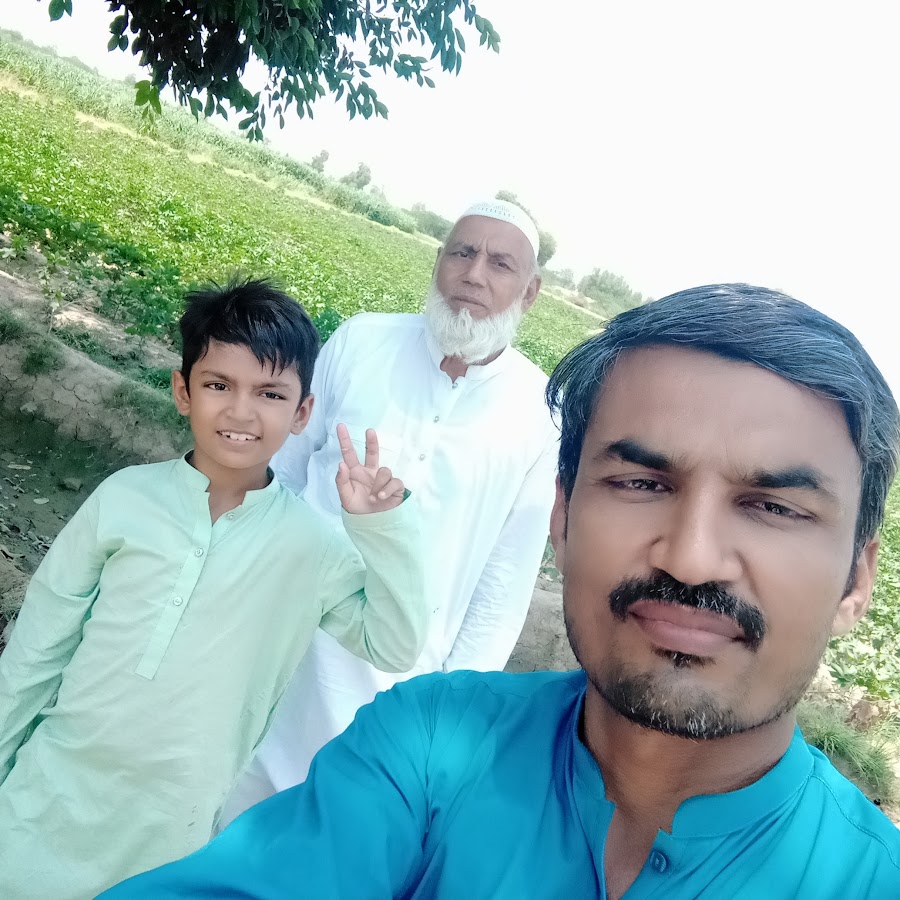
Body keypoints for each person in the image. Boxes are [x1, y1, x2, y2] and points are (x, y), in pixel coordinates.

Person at [103, 284, 900, 899]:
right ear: (563, 515)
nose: (691, 560)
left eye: (773, 507)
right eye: (641, 482)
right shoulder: (428, 749)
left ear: (856, 579)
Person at [0, 278, 427, 900]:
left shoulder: (313, 546)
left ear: (302, 412)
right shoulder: (124, 498)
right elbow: (35, 654)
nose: (241, 412)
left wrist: (382, 529)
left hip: (169, 836)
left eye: (270, 393)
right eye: (218, 385)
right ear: (183, 391)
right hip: (43, 801)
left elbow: (396, 644)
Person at [220, 199, 559, 821]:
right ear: (439, 261)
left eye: (500, 263)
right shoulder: (363, 340)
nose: (474, 274)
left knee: (335, 838)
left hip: (400, 681)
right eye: (462, 252)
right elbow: (280, 477)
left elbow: (503, 584)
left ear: (529, 291)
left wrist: (450, 713)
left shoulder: (540, 415)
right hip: (284, 634)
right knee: (220, 814)